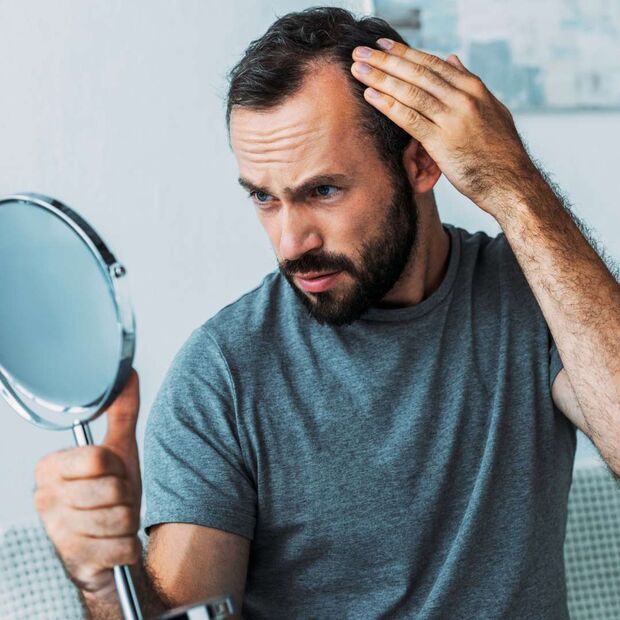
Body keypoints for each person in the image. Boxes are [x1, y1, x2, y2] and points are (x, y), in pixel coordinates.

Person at [33, 7, 620, 620]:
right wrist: (104, 580)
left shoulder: (534, 294)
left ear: (421, 163)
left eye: (323, 191)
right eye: (264, 196)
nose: (291, 243)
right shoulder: (222, 375)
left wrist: (512, 185)